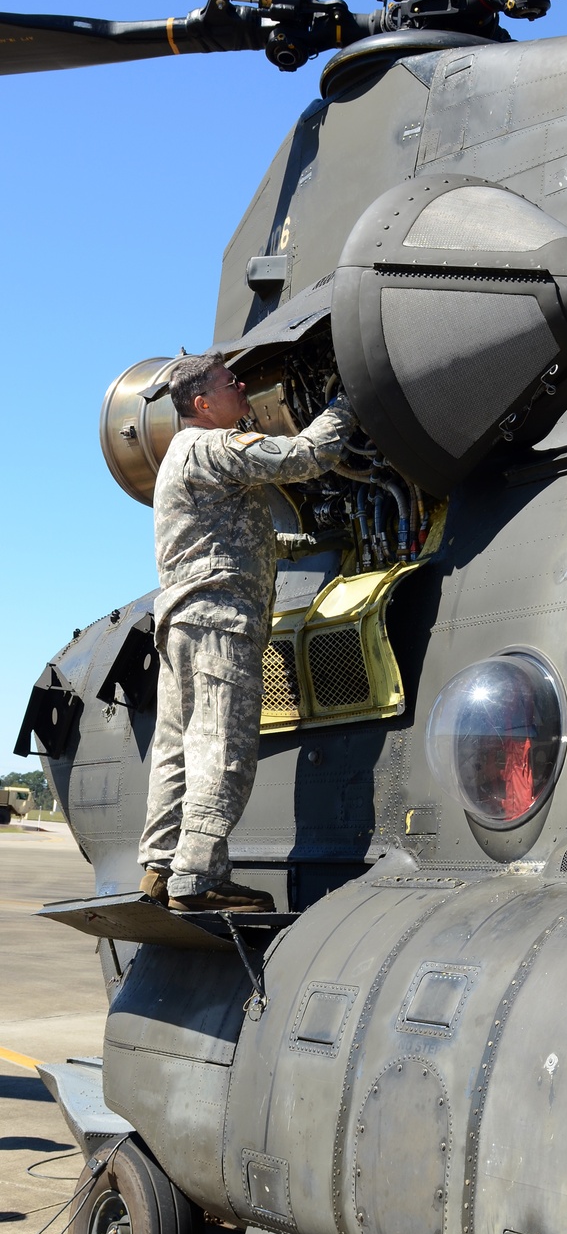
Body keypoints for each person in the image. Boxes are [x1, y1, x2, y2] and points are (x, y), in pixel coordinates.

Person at [137, 350, 356, 912]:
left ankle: (161, 868)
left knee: (178, 750)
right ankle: (198, 879)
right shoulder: (215, 447)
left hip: (183, 621)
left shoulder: (179, 456)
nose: (242, 388)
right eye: (230, 383)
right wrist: (348, 398)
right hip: (220, 623)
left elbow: (225, 540)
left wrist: (304, 544)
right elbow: (311, 455)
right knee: (223, 746)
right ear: (203, 403)